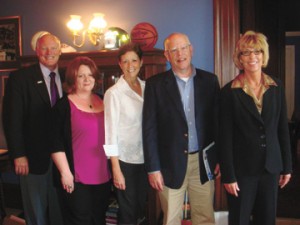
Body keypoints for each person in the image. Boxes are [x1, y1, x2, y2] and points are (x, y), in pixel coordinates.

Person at [142, 32, 220, 225]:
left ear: (191, 50)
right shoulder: (155, 85)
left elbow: (218, 124)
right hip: (169, 164)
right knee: (170, 219)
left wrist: (219, 159)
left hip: (202, 163)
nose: (180, 53)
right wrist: (153, 168)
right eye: (173, 50)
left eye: (183, 48)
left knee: (205, 218)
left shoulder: (210, 81)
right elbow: (149, 129)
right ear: (167, 56)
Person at [218, 30, 292, 225]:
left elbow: (282, 129)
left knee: (267, 219)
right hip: (242, 171)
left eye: (257, 51)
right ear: (239, 58)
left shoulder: (276, 86)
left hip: (271, 167)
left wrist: (287, 166)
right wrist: (229, 175)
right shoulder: (229, 92)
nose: (252, 57)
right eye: (246, 52)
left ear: (264, 55)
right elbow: (225, 138)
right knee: (239, 219)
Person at [2, 33, 64, 225]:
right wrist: (18, 154)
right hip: (32, 159)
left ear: (60, 51)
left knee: (60, 211)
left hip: (62, 161)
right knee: (36, 213)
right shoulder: (20, 78)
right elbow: (12, 120)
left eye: (53, 48)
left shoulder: (69, 76)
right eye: (44, 48)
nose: (49, 52)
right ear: (37, 51)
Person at [50, 56, 111, 225]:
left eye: (90, 75)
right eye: (81, 76)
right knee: (80, 220)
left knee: (98, 218)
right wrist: (65, 173)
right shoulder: (63, 106)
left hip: (102, 175)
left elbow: (113, 136)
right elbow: (55, 143)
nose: (87, 79)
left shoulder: (104, 100)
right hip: (76, 178)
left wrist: (115, 167)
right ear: (72, 79)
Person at [103, 43, 148, 225]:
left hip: (146, 159)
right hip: (124, 161)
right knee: (128, 212)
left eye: (134, 61)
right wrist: (116, 169)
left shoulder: (147, 87)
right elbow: (110, 132)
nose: (130, 65)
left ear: (141, 62)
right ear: (120, 64)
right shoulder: (114, 93)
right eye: (125, 61)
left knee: (140, 209)